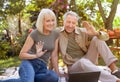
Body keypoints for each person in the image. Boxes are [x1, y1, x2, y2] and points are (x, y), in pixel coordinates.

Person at [55, 11, 120, 82]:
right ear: (63, 21)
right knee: (82, 62)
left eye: (73, 23)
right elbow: (54, 53)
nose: (70, 25)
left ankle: (114, 69)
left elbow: (106, 37)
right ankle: (114, 80)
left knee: (97, 38)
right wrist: (55, 70)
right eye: (68, 22)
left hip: (87, 60)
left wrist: (96, 33)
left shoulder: (82, 31)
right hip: (73, 67)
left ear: (76, 23)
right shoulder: (58, 32)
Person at [0, 8, 59, 82]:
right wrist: (36, 55)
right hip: (29, 63)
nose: (51, 23)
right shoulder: (34, 34)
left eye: (52, 20)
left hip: (42, 68)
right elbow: (21, 55)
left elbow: (54, 55)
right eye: (48, 21)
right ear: (42, 22)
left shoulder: (55, 34)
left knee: (54, 78)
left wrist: (57, 72)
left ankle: (28, 78)